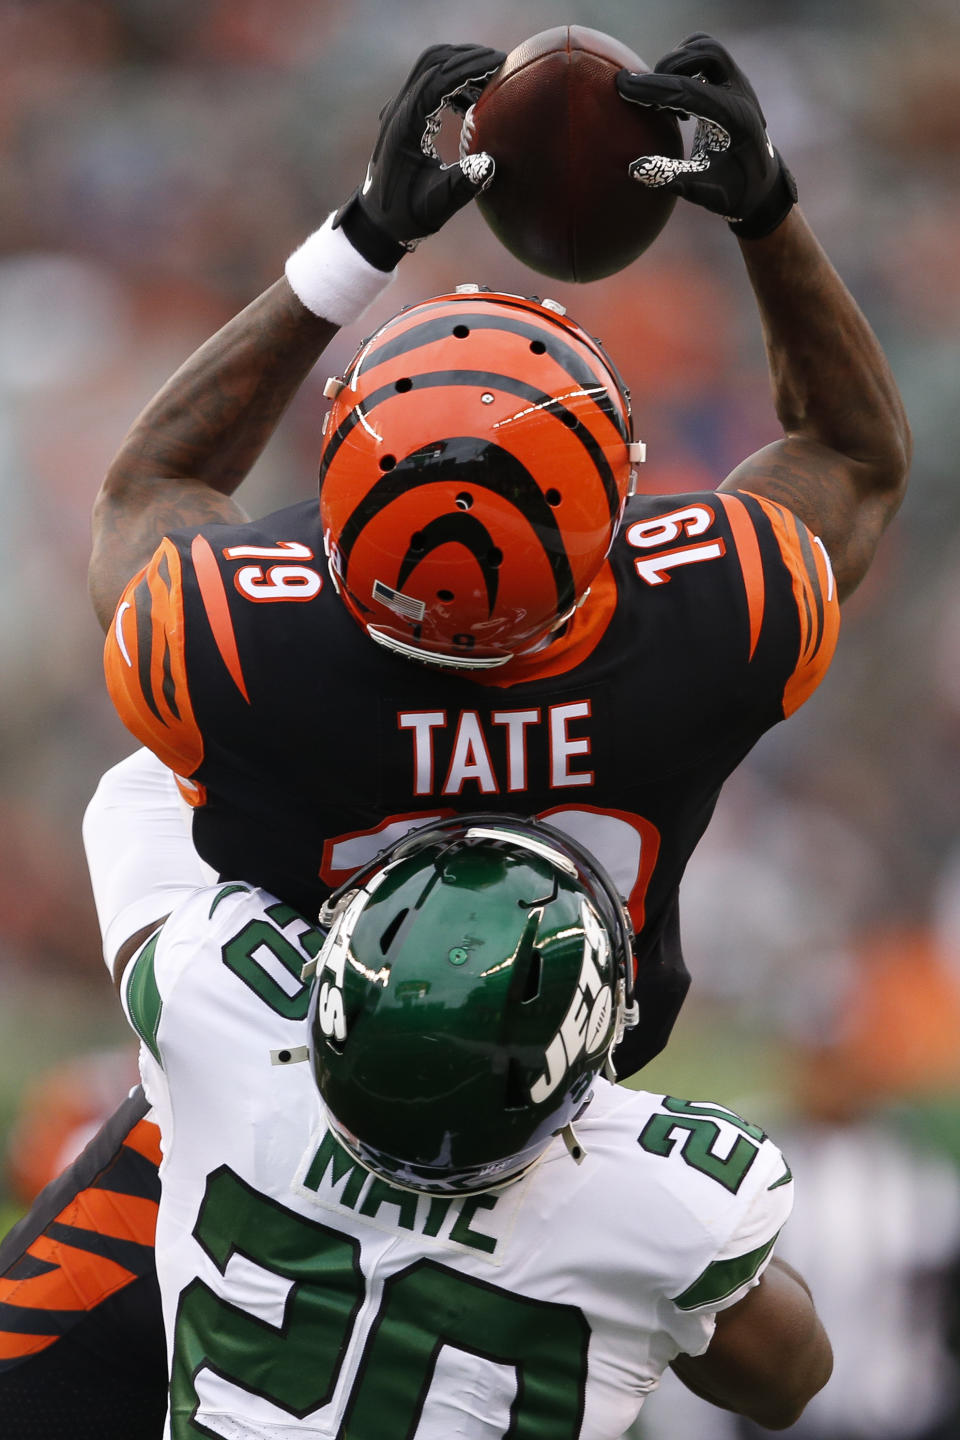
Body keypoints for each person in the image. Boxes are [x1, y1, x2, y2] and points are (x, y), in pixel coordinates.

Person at [0, 29, 906, 1435]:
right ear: (615, 501)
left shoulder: (250, 647)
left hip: (250, 1099)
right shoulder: (705, 630)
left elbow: (154, 486)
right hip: (565, 1143)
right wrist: (767, 209)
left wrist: (360, 240)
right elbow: (852, 455)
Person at [110, 781, 833, 1436]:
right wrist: (668, 1291)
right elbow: (789, 1383)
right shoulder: (665, 1208)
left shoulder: (214, 1001)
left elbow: (140, 795)